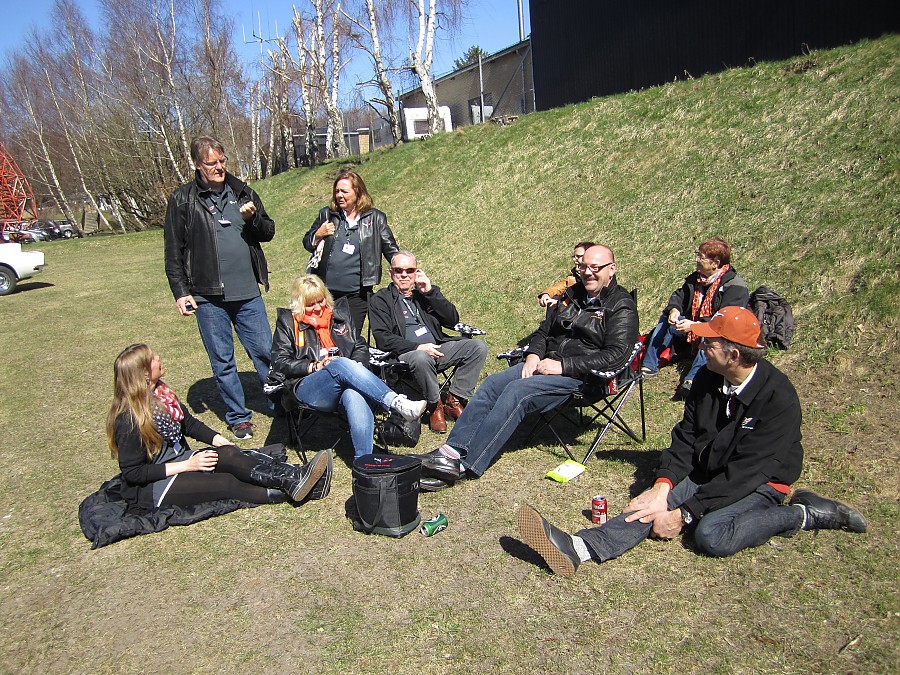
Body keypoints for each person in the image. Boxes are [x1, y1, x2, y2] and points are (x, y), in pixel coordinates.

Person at [515, 307, 867, 578]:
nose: (700, 346)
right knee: (651, 505)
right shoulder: (708, 379)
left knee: (712, 535)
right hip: (710, 469)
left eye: (710, 342)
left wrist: (685, 513)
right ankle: (578, 548)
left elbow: (747, 473)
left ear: (734, 355)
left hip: (761, 480)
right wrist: (664, 485)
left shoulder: (778, 398)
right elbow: (686, 437)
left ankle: (801, 514)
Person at [419, 245, 639, 488]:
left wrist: (564, 366)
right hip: (544, 364)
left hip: (582, 378)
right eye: (583, 267)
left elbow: (616, 355)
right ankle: (452, 451)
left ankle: (466, 464)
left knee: (517, 392)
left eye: (595, 268)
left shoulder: (621, 305)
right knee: (493, 384)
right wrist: (533, 354)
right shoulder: (573, 294)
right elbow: (544, 332)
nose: (588, 273)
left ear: (611, 269)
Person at [107, 344, 332, 509]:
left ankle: (294, 478)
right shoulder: (128, 419)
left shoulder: (162, 395)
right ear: (144, 374)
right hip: (153, 485)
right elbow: (134, 473)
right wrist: (188, 465)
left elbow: (189, 424)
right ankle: (301, 491)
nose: (157, 357)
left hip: (180, 460)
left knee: (231, 455)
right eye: (152, 358)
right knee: (227, 483)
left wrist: (220, 442)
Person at [164, 136, 275, 440]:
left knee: (266, 352)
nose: (219, 167)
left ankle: (279, 403)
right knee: (223, 360)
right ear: (197, 165)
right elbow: (173, 251)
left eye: (222, 160)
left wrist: (253, 219)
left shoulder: (242, 192)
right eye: (211, 162)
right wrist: (180, 292)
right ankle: (239, 417)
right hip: (207, 296)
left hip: (247, 292)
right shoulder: (183, 199)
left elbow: (268, 231)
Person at [270, 274, 427, 459]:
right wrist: (315, 366)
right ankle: (396, 403)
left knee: (353, 392)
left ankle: (364, 461)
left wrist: (357, 367)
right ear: (300, 303)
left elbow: (359, 345)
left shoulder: (339, 315)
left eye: (321, 301)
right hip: (309, 386)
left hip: (344, 381)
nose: (318, 308)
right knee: (339, 363)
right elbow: (279, 362)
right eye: (311, 304)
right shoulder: (289, 323)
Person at [368, 251, 489, 433]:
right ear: (391, 273)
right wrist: (418, 347)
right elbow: (383, 338)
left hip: (438, 346)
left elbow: (452, 319)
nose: (404, 275)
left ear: (416, 272)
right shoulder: (380, 300)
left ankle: (454, 400)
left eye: (410, 270)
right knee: (420, 357)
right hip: (406, 354)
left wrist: (430, 292)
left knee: (477, 347)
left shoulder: (425, 293)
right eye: (399, 270)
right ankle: (435, 406)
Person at [641, 237, 749, 396]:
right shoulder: (696, 279)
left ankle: (692, 380)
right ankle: (649, 365)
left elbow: (725, 321)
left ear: (715, 263)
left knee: (709, 334)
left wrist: (694, 326)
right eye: (697, 255)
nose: (696, 259)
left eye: (701, 257)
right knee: (666, 319)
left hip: (718, 334)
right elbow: (679, 296)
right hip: (691, 329)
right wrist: (675, 310)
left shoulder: (734, 286)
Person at [303, 170, 399, 334]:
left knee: (348, 338)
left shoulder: (375, 218)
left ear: (358, 192)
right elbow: (307, 243)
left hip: (356, 296)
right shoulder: (327, 214)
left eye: (344, 191)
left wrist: (404, 270)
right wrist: (318, 234)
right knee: (322, 336)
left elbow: (391, 249)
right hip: (324, 295)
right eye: (337, 191)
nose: (339, 195)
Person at [537, 241, 595, 308]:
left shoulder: (598, 278)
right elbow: (558, 287)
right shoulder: (573, 277)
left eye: (578, 256)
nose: (574, 259)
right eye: (574, 256)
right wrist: (546, 294)